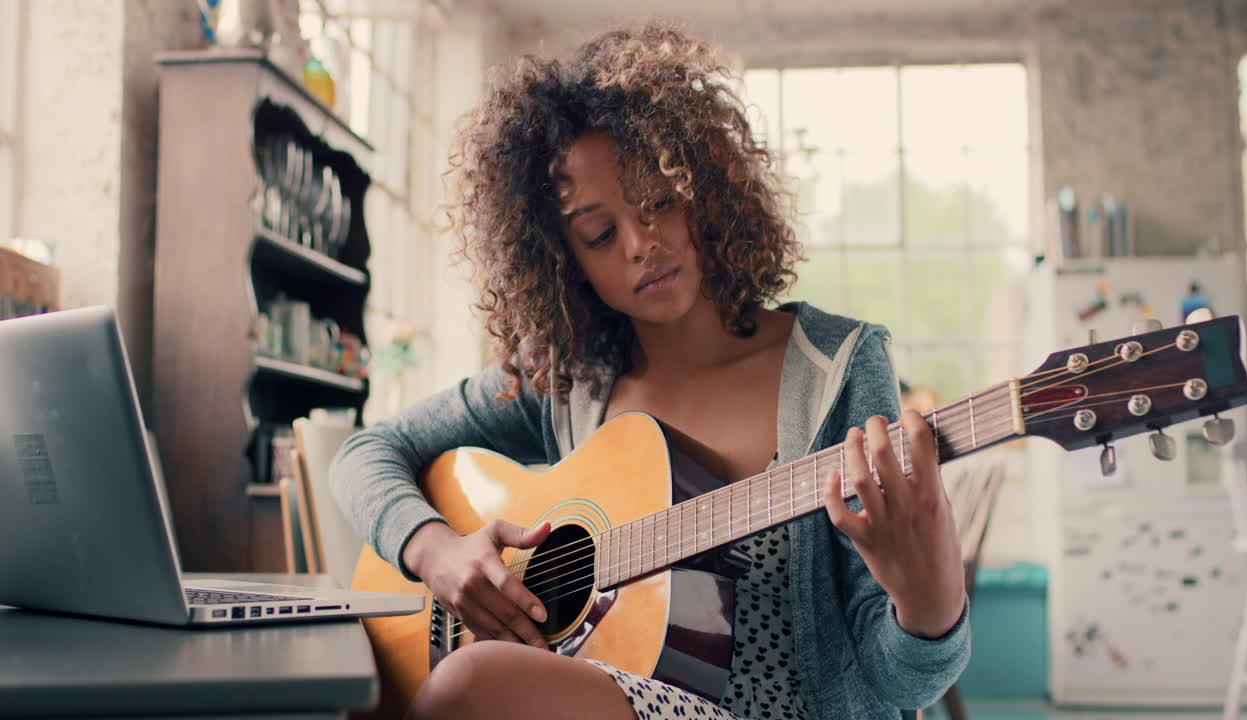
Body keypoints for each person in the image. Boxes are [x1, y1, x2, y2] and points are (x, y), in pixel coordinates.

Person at [330, 22, 969, 720]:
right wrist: (434, 551)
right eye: (599, 234)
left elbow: (900, 687)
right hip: (601, 695)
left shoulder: (835, 370)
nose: (642, 244)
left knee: (466, 686)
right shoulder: (568, 380)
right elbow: (366, 452)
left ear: (708, 192)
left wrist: (927, 599)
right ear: (561, 257)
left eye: (660, 201)